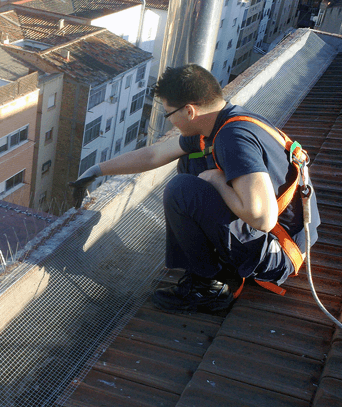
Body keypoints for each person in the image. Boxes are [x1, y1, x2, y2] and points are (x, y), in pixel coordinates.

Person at [70, 64, 320, 314]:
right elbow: (154, 154)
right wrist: (96, 171)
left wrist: (217, 181)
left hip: (279, 252)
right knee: (191, 162)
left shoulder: (232, 138)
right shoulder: (223, 122)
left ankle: (206, 288)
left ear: (189, 111)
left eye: (169, 115)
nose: (170, 122)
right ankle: (214, 263)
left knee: (182, 190)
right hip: (281, 238)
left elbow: (263, 219)